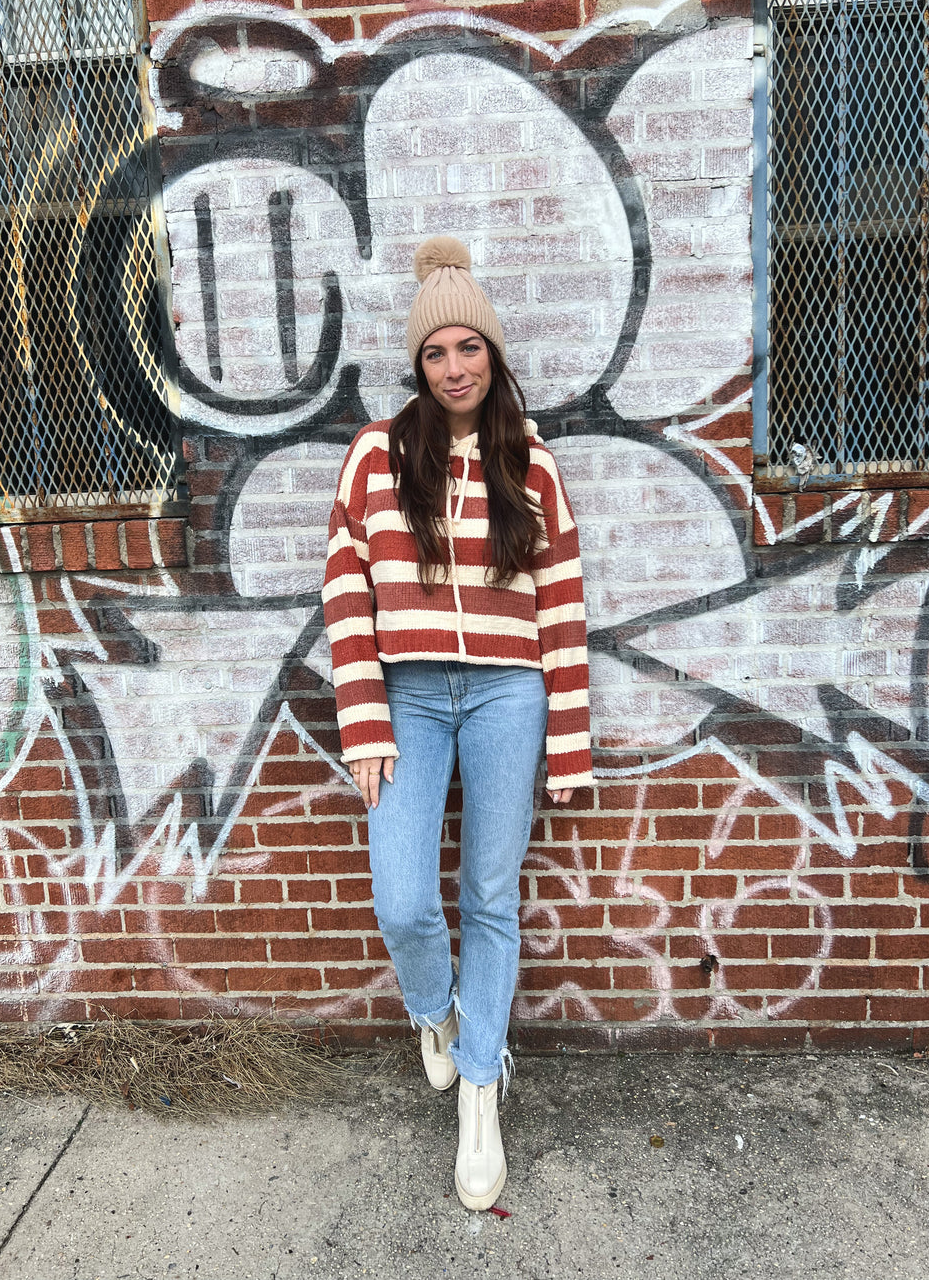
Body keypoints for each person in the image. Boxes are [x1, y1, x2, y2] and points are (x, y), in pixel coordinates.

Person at [322, 236, 594, 1211]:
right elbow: (344, 589)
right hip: (407, 695)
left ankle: (481, 1087)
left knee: (488, 896)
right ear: (419, 363)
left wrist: (569, 742)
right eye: (435, 352)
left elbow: (561, 604)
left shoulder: (532, 465)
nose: (453, 367)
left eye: (468, 348)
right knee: (404, 899)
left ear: (492, 352)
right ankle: (434, 1013)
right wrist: (364, 719)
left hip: (508, 694)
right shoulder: (376, 456)